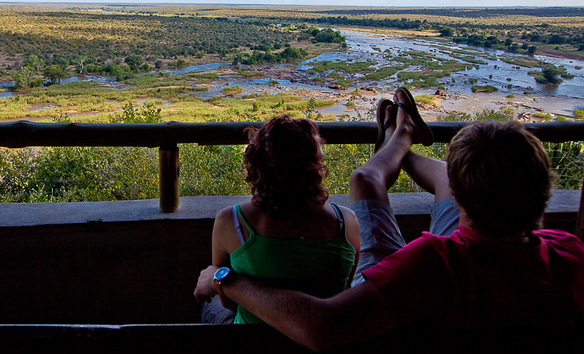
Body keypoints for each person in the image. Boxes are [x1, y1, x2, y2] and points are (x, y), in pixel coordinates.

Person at [195, 88, 584, 351]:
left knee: (365, 179)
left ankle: (396, 143)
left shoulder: (434, 261)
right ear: (544, 187)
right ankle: (397, 142)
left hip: (437, 282)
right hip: (498, 246)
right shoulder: (571, 252)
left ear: (463, 195)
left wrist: (227, 279)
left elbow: (321, 327)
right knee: (368, 179)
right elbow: (455, 182)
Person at [194, 115, 360, 325]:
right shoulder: (347, 222)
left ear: (257, 165)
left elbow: (229, 300)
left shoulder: (232, 221)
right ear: (316, 166)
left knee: (211, 297)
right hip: (321, 336)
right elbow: (347, 291)